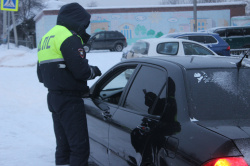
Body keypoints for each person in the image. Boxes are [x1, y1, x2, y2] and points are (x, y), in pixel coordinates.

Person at [36, 3, 101, 166]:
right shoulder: (68, 37)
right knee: (79, 148)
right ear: (76, 20)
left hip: (53, 98)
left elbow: (40, 76)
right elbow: (82, 72)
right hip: (70, 100)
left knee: (63, 145)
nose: (84, 27)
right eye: (83, 23)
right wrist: (94, 71)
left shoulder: (47, 37)